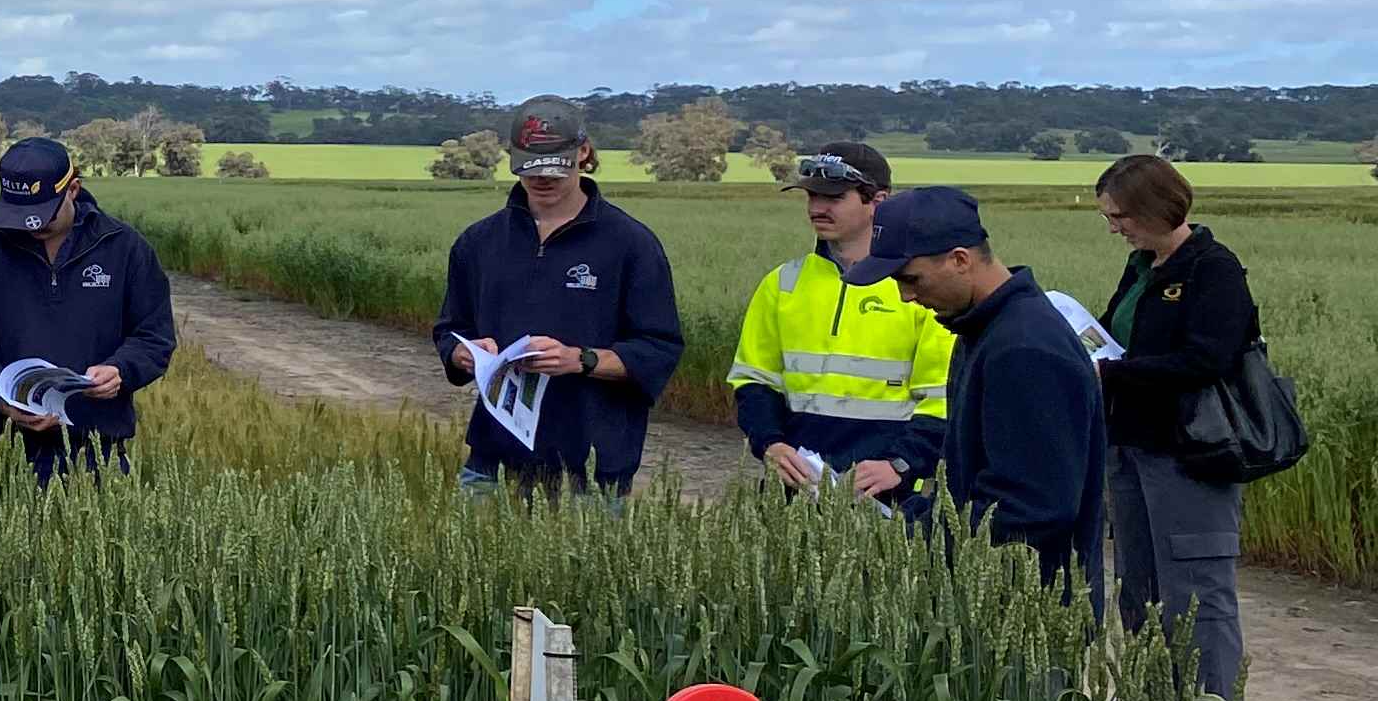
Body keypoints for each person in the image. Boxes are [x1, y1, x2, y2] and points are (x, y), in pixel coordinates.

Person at [1091, 154, 1257, 701]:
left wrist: (1115, 371)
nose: (1115, 228)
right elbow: (1114, 336)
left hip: (1192, 460)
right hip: (1130, 452)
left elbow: (1207, 360)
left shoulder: (1213, 270)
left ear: (1159, 208)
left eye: (1122, 215)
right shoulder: (1141, 268)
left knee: (1200, 605)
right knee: (1142, 599)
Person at [431, 98, 683, 501]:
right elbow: (449, 330)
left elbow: (658, 350)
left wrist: (579, 360)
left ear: (582, 153)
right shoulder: (479, 242)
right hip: (490, 467)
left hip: (592, 476)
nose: (542, 181)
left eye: (554, 169)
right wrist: (461, 354)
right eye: (531, 169)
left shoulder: (631, 244)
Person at [859, 185, 1105, 591]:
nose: (906, 296)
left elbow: (1033, 510)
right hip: (995, 593)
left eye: (911, 278)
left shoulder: (1025, 347)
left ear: (960, 260)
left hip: (1028, 606)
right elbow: (975, 479)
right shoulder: (985, 329)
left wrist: (915, 538)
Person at [725, 142, 950, 515]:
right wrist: (771, 446)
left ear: (878, 200)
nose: (816, 208)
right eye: (812, 196)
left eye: (833, 197)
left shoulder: (915, 288)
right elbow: (754, 381)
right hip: (792, 490)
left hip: (885, 492)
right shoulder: (783, 283)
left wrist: (900, 464)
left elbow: (943, 398)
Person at [0, 137, 175, 480]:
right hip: (10, 448)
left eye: (42, 215)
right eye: (20, 215)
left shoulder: (124, 248)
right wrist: (2, 401)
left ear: (73, 189)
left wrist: (121, 371)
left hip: (101, 448)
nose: (31, 227)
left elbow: (154, 336)